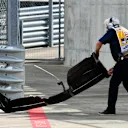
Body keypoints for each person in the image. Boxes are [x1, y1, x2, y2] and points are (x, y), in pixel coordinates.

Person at [95, 17, 128, 115]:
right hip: (124, 62)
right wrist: (115, 67)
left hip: (123, 62)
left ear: (109, 25)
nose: (106, 29)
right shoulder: (124, 31)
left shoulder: (112, 31)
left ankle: (111, 109)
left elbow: (99, 43)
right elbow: (124, 52)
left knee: (114, 85)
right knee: (127, 83)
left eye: (106, 26)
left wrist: (96, 55)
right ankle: (110, 108)